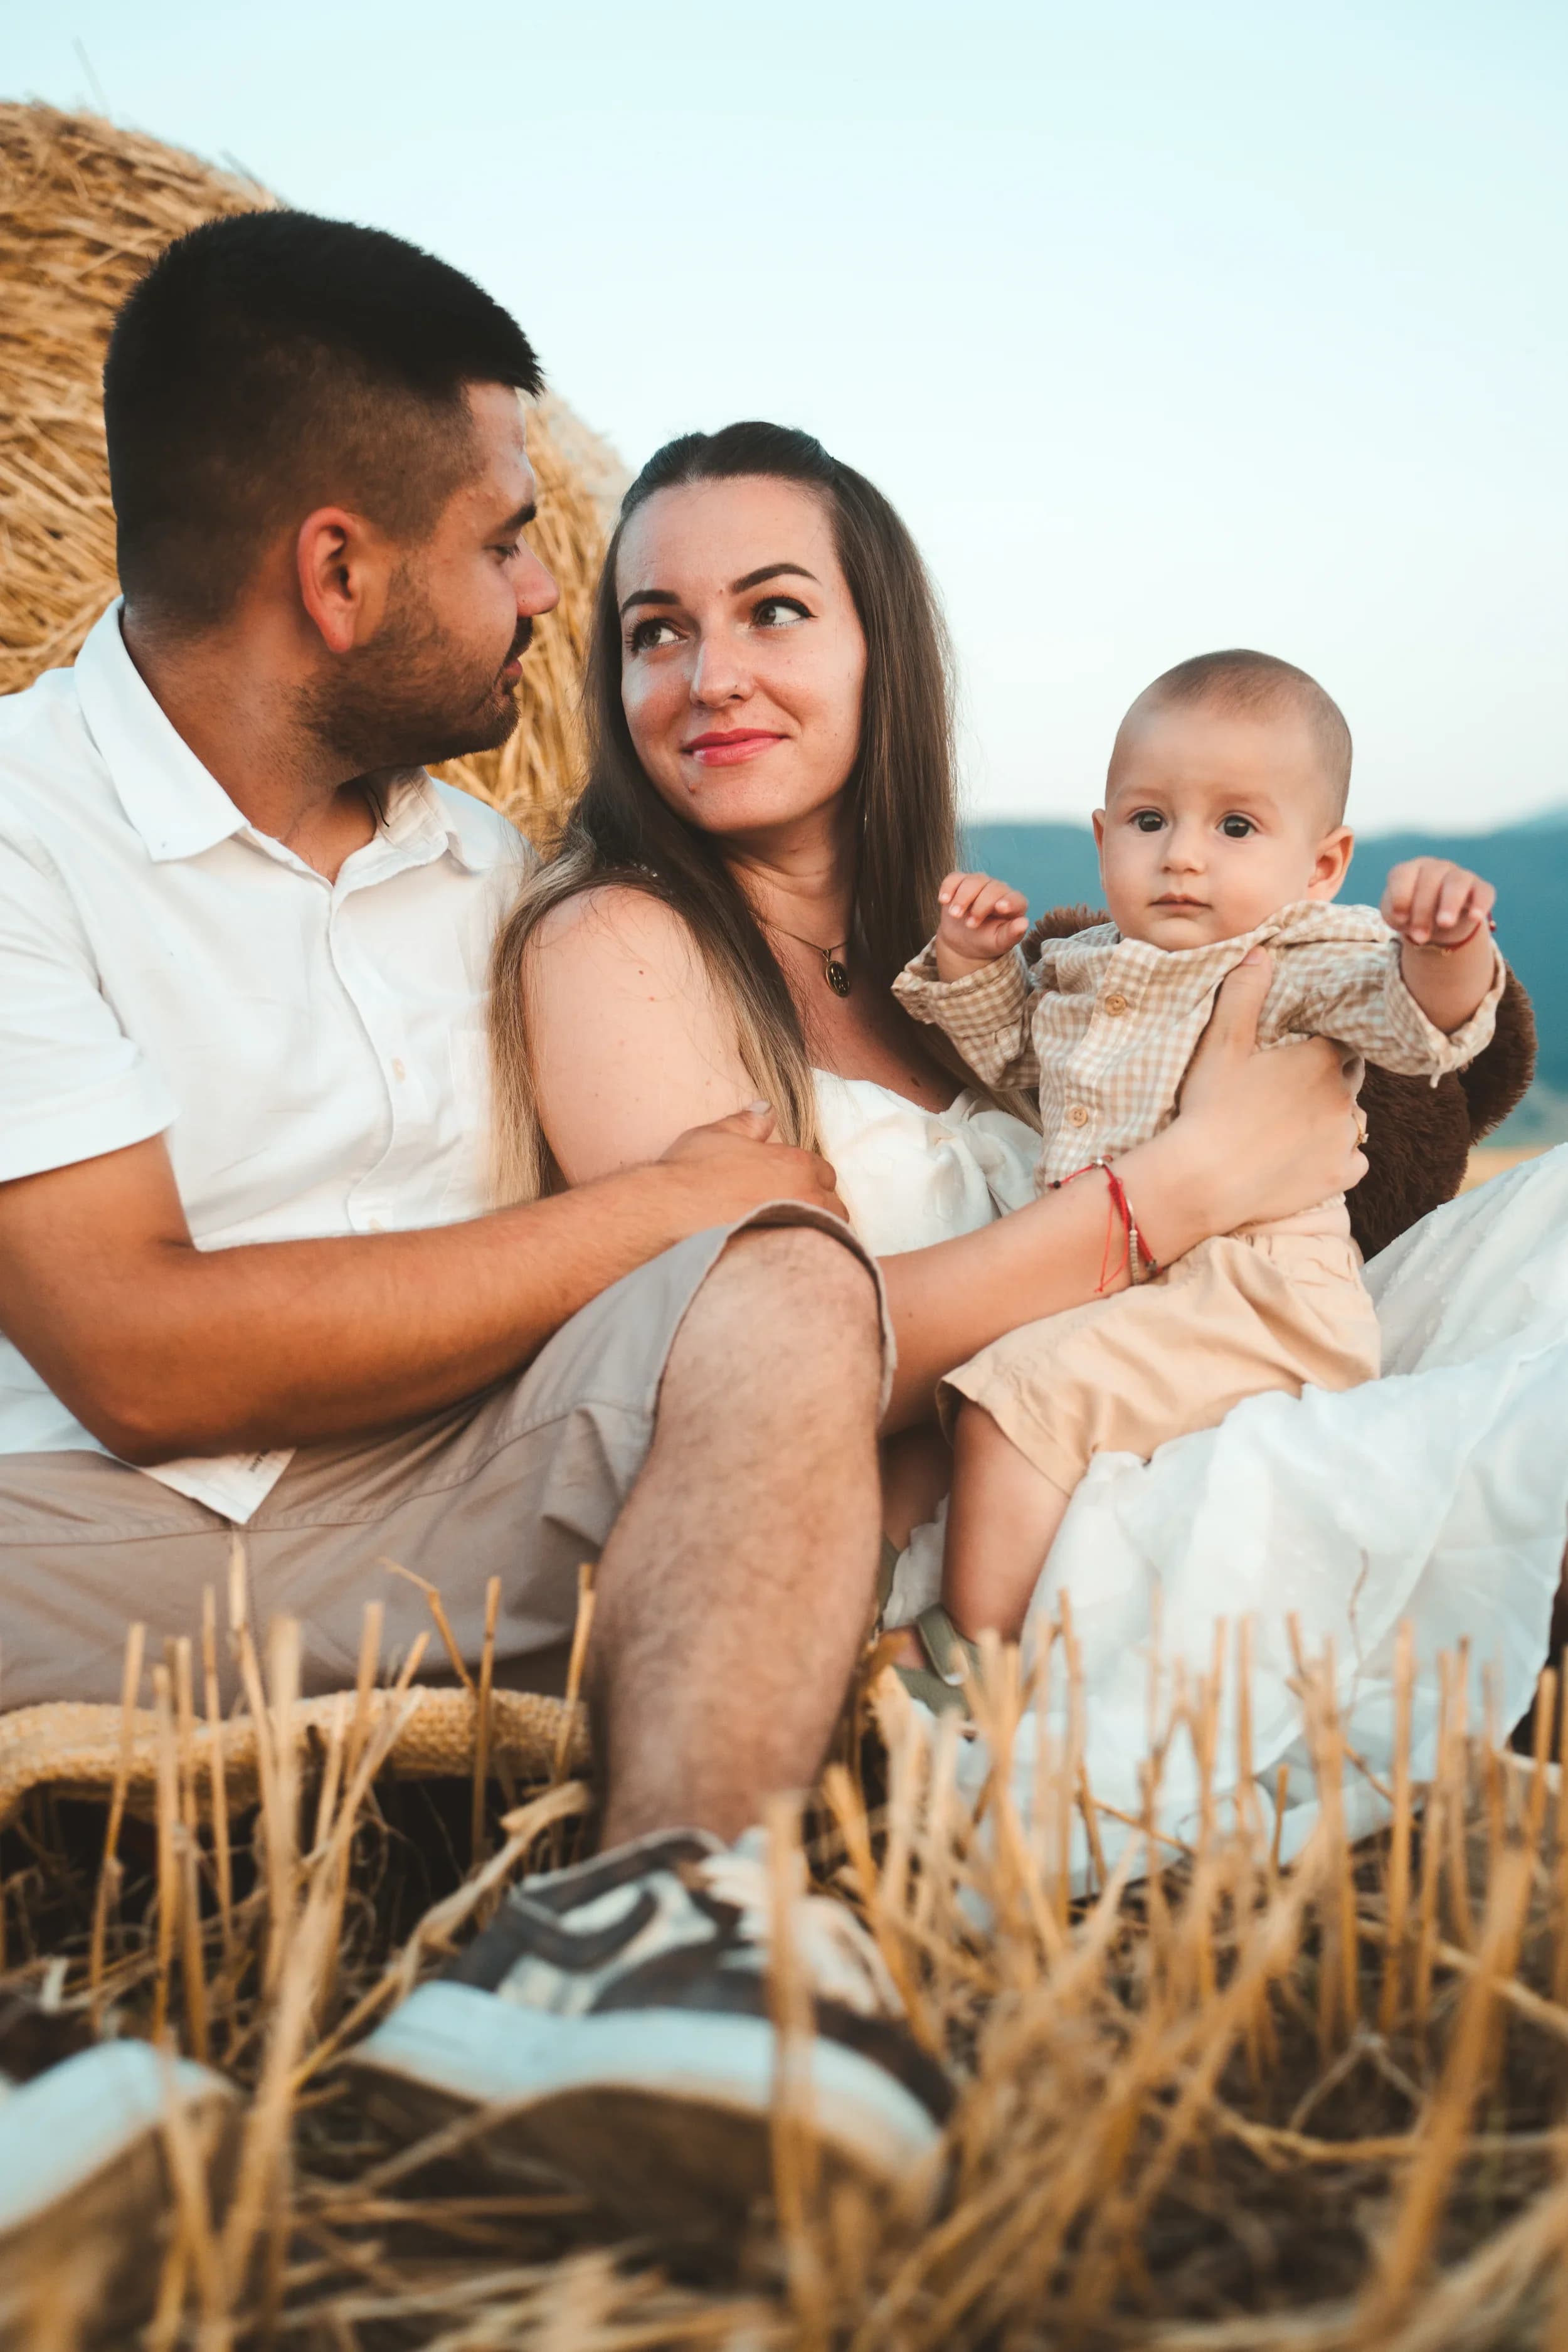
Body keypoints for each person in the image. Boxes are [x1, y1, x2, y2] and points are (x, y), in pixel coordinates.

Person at [890, 649, 1502, 1671]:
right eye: (1148, 821)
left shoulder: (1300, 959)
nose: (1182, 857)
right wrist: (973, 964)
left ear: (1321, 865)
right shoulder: (1085, 971)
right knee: (976, 1416)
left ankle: (974, 1659)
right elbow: (1015, 1071)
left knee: (1011, 1408)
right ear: (1102, 839)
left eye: (1235, 827)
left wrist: (1446, 948)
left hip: (1253, 1295)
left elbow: (1418, 1024)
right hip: (1128, 1283)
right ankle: (1043, 1624)